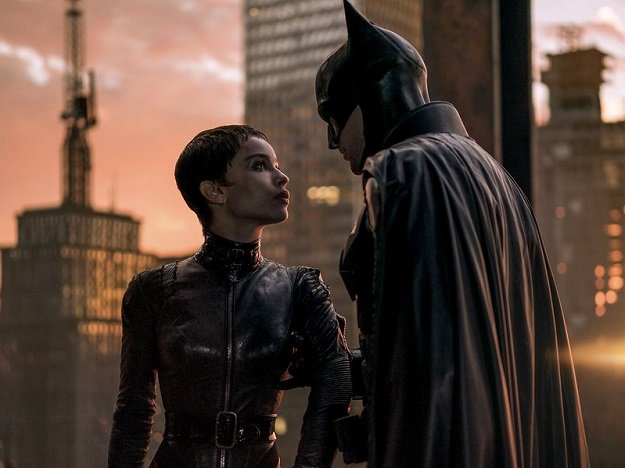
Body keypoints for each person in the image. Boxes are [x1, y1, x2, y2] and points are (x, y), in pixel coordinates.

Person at [315, 2, 590, 467]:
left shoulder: (406, 170)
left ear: (366, 98)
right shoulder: (494, 175)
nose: (332, 140)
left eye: (333, 117)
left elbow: (430, 356)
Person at [107, 125, 351, 468]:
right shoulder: (153, 290)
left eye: (276, 165)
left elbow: (334, 385)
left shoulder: (301, 288)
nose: (282, 178)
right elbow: (133, 409)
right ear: (214, 191)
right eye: (259, 166)